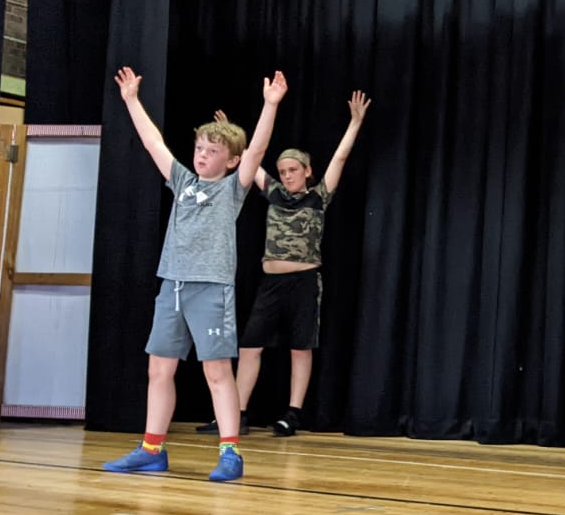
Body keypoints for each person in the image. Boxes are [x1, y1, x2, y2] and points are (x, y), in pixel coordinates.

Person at [102, 66, 286, 482]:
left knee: (216, 372)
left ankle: (230, 452)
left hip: (211, 288)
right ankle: (152, 449)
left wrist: (270, 105)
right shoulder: (182, 180)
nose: (201, 155)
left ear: (231, 161)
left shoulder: (232, 187)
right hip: (173, 285)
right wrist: (131, 100)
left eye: (212, 151)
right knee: (159, 370)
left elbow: (257, 149)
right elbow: (153, 142)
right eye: (199, 148)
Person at [196, 92, 372, 438]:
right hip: (270, 283)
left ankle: (292, 414)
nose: (287, 176)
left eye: (293, 170)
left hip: (304, 282)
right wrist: (229, 138)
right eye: (282, 172)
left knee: (300, 348)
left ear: (307, 171)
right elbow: (250, 159)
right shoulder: (274, 193)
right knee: (250, 346)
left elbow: (340, 157)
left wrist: (355, 123)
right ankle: (237, 413)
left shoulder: (318, 196)